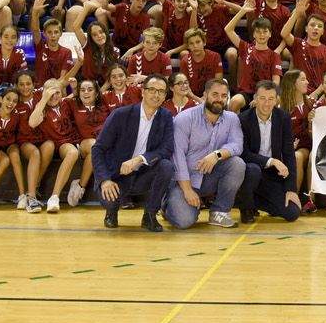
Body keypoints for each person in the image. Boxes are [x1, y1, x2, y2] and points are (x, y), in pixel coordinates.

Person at [90, 72, 176, 231]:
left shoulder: (166, 117)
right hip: (116, 175)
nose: (156, 95)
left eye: (161, 91)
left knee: (166, 166)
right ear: (142, 91)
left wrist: (139, 159)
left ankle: (150, 215)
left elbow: (167, 148)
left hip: (143, 174)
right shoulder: (121, 114)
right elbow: (98, 149)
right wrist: (104, 180)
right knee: (109, 200)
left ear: (165, 95)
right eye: (152, 90)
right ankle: (111, 211)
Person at [167, 75, 247, 230]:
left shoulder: (232, 119)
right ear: (205, 95)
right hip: (184, 180)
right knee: (184, 221)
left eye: (224, 96)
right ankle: (168, 205)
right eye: (215, 95)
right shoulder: (184, 119)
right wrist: (187, 190)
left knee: (237, 164)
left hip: (210, 177)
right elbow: (177, 156)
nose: (219, 99)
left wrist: (217, 154)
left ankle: (219, 212)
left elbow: (237, 145)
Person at [234, 79, 303, 225]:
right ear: (255, 99)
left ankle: (249, 200)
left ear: (277, 100)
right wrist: (271, 161)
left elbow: (289, 154)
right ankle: (246, 207)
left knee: (292, 213)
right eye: (262, 98)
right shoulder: (243, 119)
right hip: (251, 170)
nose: (266, 103)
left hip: (272, 174)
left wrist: (291, 189)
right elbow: (243, 153)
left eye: (271, 99)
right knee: (253, 170)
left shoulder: (283, 118)